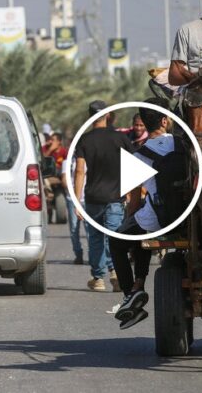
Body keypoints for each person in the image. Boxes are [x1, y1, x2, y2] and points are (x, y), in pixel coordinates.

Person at [108, 98, 174, 329]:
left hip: (160, 218)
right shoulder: (185, 145)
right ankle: (137, 286)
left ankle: (132, 294)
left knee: (118, 240)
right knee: (140, 230)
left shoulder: (138, 155)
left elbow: (134, 201)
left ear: (144, 124)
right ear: (165, 120)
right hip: (191, 214)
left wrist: (127, 220)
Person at [74, 100, 132, 292]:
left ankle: (98, 278)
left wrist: (76, 200)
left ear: (89, 116)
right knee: (114, 237)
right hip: (116, 197)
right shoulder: (121, 138)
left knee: (96, 238)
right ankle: (115, 274)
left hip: (93, 198)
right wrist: (131, 193)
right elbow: (133, 165)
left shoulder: (85, 140)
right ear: (108, 115)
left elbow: (80, 171)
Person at [63, 155, 87, 265]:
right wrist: (73, 193)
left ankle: (93, 256)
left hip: (88, 199)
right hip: (72, 199)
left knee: (89, 230)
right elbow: (64, 179)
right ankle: (78, 254)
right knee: (74, 229)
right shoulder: (67, 162)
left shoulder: (90, 158)